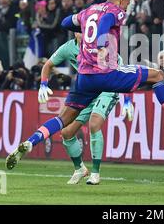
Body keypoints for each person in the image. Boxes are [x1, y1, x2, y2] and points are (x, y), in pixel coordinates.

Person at [6, 0, 164, 170]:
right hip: (105, 72)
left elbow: (66, 22)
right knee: (158, 75)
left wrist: (82, 27)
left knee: (63, 118)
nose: (127, 8)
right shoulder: (115, 10)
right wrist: (101, 45)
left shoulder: (88, 11)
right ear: (120, 0)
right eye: (127, 4)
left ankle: (30, 142)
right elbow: (107, 22)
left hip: (84, 77)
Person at [38, 33, 130, 185]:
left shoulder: (101, 44)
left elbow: (121, 69)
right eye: (78, 30)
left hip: (107, 88)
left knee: (94, 124)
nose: (82, 33)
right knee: (67, 132)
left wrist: (126, 99)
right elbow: (48, 65)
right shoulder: (68, 48)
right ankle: (80, 168)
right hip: (88, 91)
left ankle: (95, 173)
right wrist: (43, 84)